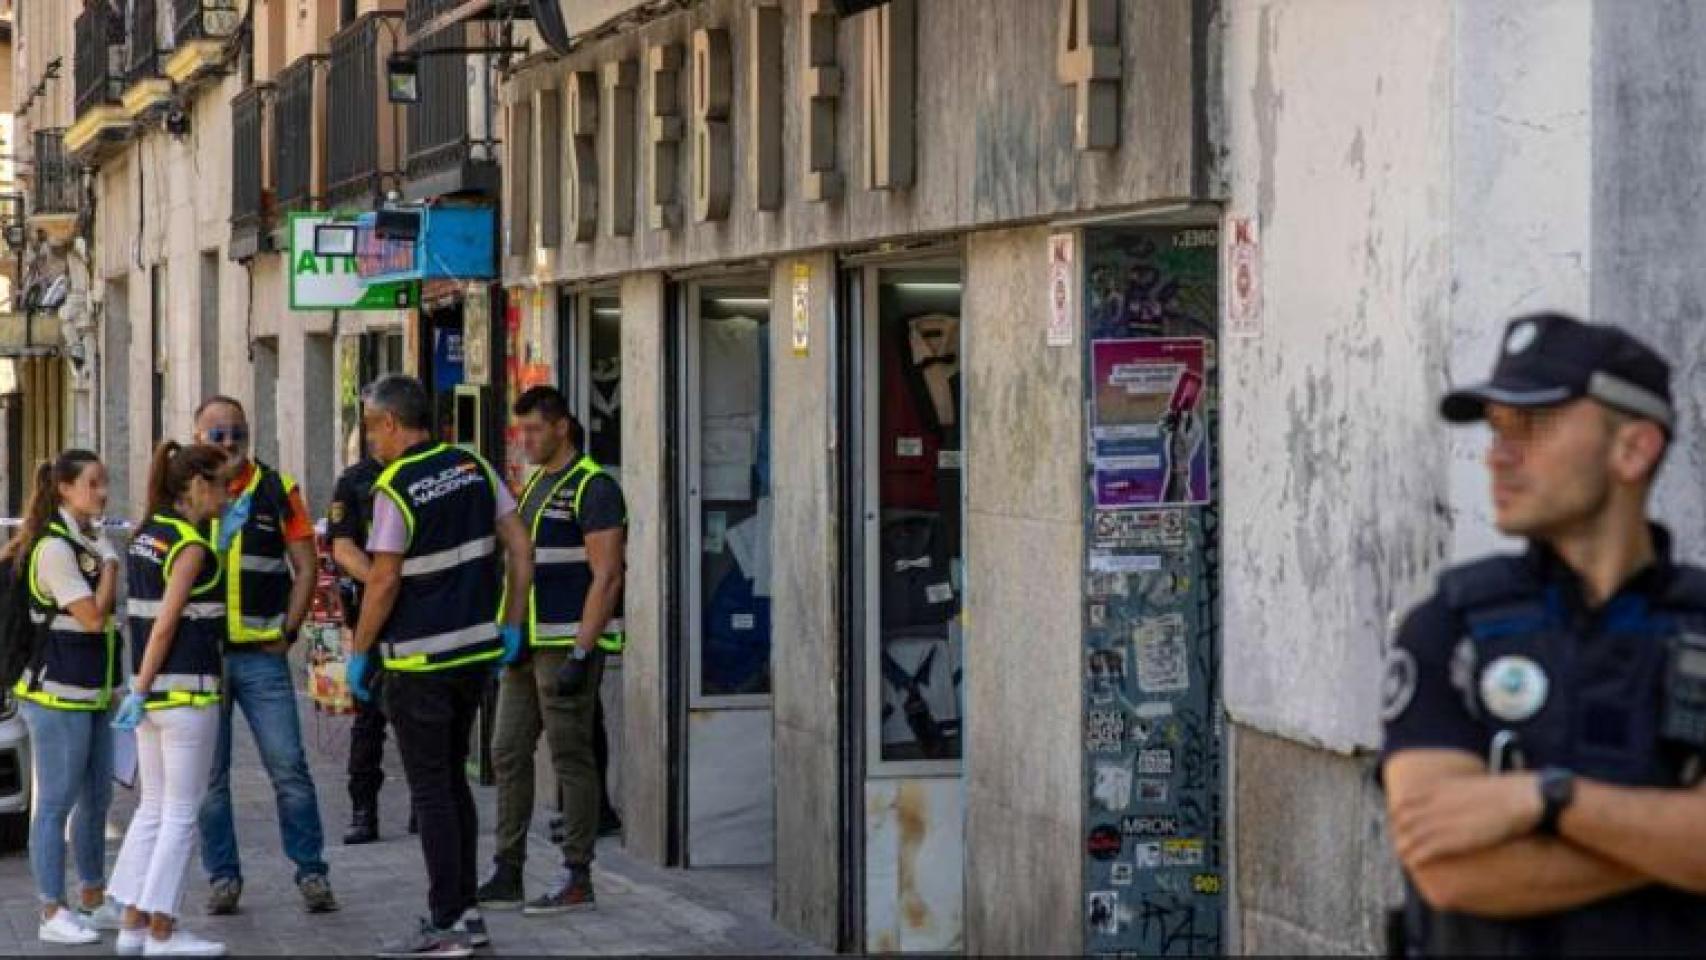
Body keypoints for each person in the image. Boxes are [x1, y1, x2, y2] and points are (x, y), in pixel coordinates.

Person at [1381, 311, 1706, 955]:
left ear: (1632, 449)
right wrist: (1671, 846)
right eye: (1496, 429)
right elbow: (1447, 870)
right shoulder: (1450, 630)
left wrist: (1542, 802)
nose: (1498, 456)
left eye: (1532, 426)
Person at [348, 375, 533, 958]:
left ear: (391, 424)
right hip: (476, 655)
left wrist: (358, 652)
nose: (369, 439)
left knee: (431, 790)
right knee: (454, 782)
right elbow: (520, 546)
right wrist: (514, 620)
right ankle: (467, 913)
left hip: (419, 661)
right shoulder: (474, 465)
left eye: (370, 427)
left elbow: (382, 579)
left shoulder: (394, 486)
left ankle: (447, 919)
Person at [477, 386, 626, 914]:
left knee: (570, 758)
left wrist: (583, 652)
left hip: (565, 647)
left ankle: (577, 874)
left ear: (562, 426)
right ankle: (507, 870)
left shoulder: (595, 487)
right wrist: (509, 629)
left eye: (534, 430)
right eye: (521, 431)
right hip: (527, 644)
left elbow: (607, 576)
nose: (526, 440)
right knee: (507, 752)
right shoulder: (538, 482)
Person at [191, 396, 337, 914]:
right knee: (210, 781)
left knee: (289, 769)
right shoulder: (182, 491)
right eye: (217, 434)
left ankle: (312, 873)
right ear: (196, 436)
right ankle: (224, 879)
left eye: (237, 433)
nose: (229, 442)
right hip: (201, 662)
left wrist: (290, 631)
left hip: (261, 658)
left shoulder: (276, 490)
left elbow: (306, 565)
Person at [108, 442, 232, 957]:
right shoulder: (188, 545)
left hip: (153, 697)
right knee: (181, 812)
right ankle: (163, 929)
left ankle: (132, 923)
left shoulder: (145, 537)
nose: (227, 495)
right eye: (222, 484)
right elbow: (165, 625)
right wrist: (139, 689)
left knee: (153, 808)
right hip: (186, 692)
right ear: (197, 485)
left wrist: (138, 690)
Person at [1, 451, 123, 944]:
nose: (103, 493)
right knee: (54, 804)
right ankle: (52, 910)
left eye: (103, 482)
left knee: (97, 798)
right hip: (55, 694)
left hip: (92, 690)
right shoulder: (55, 549)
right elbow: (93, 616)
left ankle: (92, 898)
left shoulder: (84, 538)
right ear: (65, 490)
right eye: (93, 484)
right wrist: (112, 564)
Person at [325, 454, 400, 845]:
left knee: (421, 718)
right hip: (372, 614)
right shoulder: (355, 480)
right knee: (368, 720)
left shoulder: (422, 472)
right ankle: (363, 811)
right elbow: (342, 547)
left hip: (416, 616)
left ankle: (425, 810)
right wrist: (382, 585)